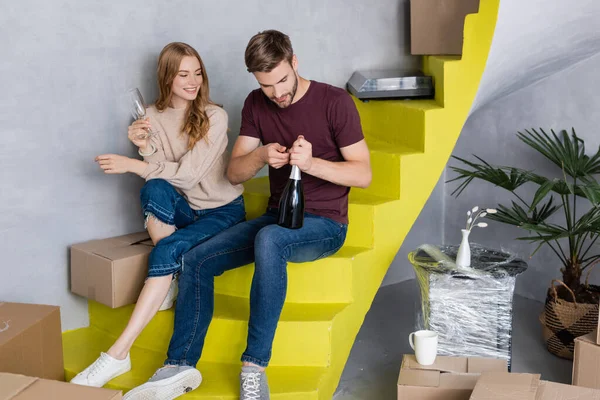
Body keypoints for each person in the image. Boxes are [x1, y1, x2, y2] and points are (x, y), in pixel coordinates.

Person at [123, 30, 371, 400]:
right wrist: (260, 156)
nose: (277, 93)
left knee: (269, 239)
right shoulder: (256, 103)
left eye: (282, 80)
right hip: (276, 215)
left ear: (295, 62)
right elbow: (235, 173)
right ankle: (180, 366)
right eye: (266, 85)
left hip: (325, 224)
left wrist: (312, 163)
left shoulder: (335, 102)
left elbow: (362, 174)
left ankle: (253, 368)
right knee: (196, 258)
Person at [70, 42, 245, 390]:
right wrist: (144, 144)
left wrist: (135, 164)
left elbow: (189, 175)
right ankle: (170, 277)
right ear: (167, 76)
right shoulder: (151, 114)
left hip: (221, 212)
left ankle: (118, 354)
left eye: (197, 73)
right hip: (185, 209)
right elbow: (162, 174)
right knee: (152, 190)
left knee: (164, 248)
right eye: (183, 74)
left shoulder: (215, 116)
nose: (192, 81)